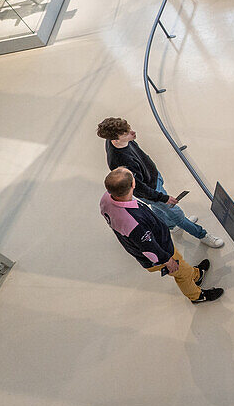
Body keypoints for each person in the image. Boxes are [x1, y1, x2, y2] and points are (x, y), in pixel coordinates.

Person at [96, 117, 225, 248]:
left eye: (129, 128)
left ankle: (171, 225)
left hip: (153, 177)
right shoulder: (119, 162)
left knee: (160, 209)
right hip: (150, 190)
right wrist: (162, 198)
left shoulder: (119, 140)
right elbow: (139, 188)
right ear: (115, 139)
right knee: (177, 214)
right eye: (127, 133)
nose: (133, 132)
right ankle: (202, 235)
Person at [101, 168, 223, 303]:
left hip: (160, 244)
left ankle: (196, 275)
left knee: (181, 264)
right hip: (162, 252)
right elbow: (149, 248)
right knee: (180, 273)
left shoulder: (107, 198)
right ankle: (197, 296)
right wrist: (168, 261)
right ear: (133, 185)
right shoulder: (132, 221)